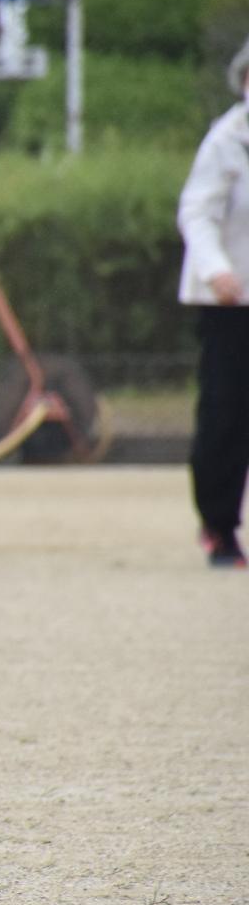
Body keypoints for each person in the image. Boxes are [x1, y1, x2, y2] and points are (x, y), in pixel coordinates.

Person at [176, 36, 249, 570]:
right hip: (231, 302)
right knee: (226, 415)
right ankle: (219, 526)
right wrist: (215, 268)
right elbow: (197, 212)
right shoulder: (227, 140)